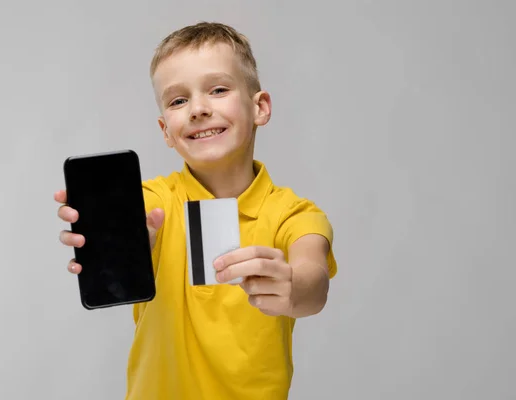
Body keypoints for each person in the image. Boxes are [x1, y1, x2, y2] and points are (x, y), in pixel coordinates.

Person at [55, 21, 337, 400]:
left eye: (218, 90)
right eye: (178, 100)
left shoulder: (295, 215)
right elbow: (134, 221)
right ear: (166, 132)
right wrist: (123, 239)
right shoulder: (153, 200)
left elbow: (313, 280)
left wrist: (292, 287)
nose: (198, 109)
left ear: (260, 108)